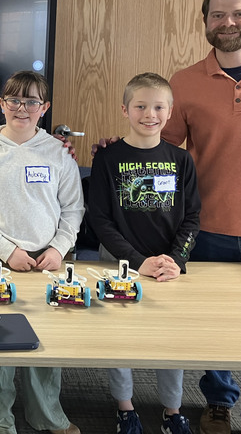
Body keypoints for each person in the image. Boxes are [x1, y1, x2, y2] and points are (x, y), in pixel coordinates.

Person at [94, 0, 241, 434]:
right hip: (205, 232)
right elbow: (161, 147)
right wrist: (113, 151)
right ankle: (218, 404)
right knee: (211, 330)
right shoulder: (185, 83)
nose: (228, 23)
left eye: (238, 13)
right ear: (205, 22)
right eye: (217, 15)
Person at [0, 70, 82, 434]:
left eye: (31, 101)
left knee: (47, 342)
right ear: (2, 103)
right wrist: (6, 250)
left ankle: (47, 416)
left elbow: (73, 208)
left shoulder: (57, 152)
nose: (21, 108)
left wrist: (59, 249)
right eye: (14, 100)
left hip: (47, 260)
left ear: (44, 107)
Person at [86, 72, 200, 434]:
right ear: (125, 109)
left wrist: (176, 262)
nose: (149, 114)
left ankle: (172, 410)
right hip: (121, 263)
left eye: (158, 107)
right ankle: (125, 407)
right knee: (120, 337)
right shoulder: (108, 158)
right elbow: (101, 220)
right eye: (140, 106)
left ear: (169, 112)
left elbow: (193, 216)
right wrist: (137, 262)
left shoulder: (182, 160)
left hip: (169, 266)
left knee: (171, 340)